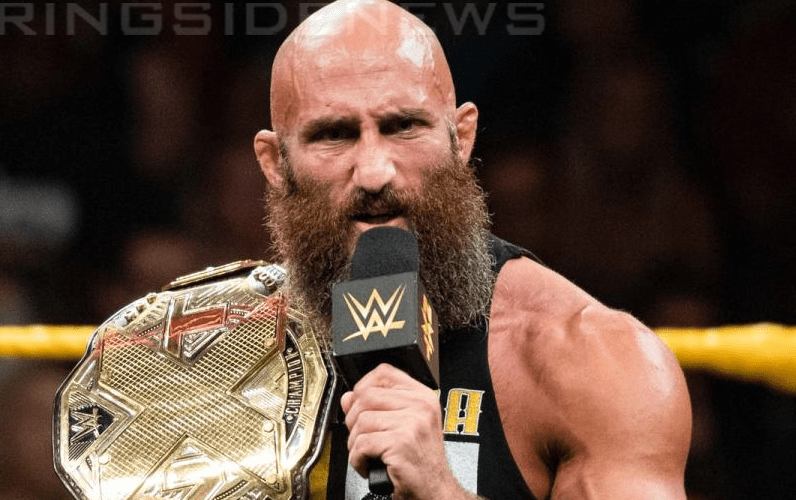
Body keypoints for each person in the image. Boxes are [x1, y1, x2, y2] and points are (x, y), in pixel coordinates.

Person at [252, 1, 692, 499]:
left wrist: (442, 491)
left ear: (461, 138)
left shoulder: (589, 358)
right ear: (275, 163)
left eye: (403, 126)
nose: (374, 173)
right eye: (334, 135)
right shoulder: (227, 353)